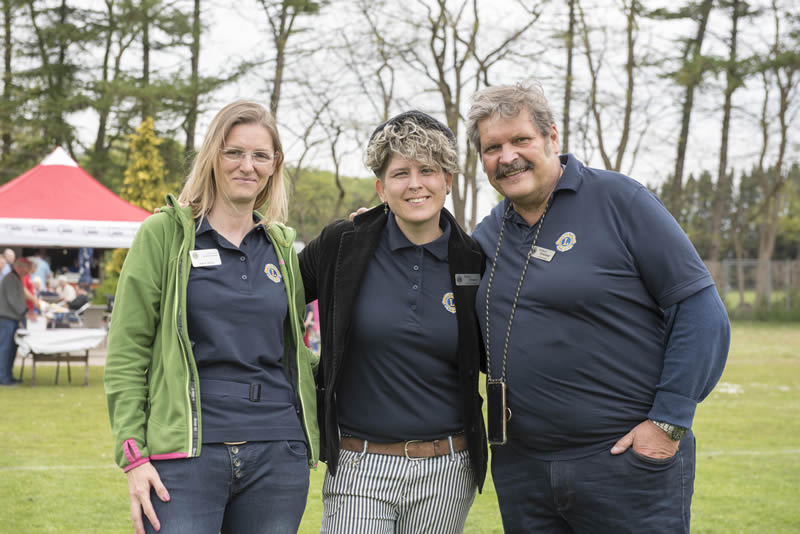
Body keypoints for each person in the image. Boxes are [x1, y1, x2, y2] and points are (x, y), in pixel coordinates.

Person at [466, 83, 731, 533]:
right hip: (523, 471)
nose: (507, 156)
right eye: (492, 147)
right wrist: (374, 226)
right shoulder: (487, 236)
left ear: (552, 136)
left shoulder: (621, 201)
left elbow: (700, 311)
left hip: (623, 465)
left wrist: (668, 422)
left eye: (520, 140)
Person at [104, 100, 319, 534]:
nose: (248, 166)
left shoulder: (281, 247)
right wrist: (134, 456)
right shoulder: (163, 235)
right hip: (185, 458)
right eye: (234, 152)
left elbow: (294, 350)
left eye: (261, 155)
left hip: (277, 454)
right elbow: (127, 353)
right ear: (212, 157)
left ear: (275, 165)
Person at [299, 111, 487, 534]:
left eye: (428, 170)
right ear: (381, 187)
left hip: (447, 470)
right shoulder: (342, 244)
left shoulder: (473, 259)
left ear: (448, 180)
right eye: (401, 173)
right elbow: (269, 298)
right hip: (359, 466)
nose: (415, 183)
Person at [0, 257, 33, 385]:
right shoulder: (10, 279)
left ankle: (8, 375)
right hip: (7, 319)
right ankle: (3, 377)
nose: (28, 272)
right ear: (19, 267)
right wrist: (25, 312)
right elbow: (13, 300)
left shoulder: (15, 278)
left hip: (12, 319)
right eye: (26, 269)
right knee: (5, 349)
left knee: (11, 349)